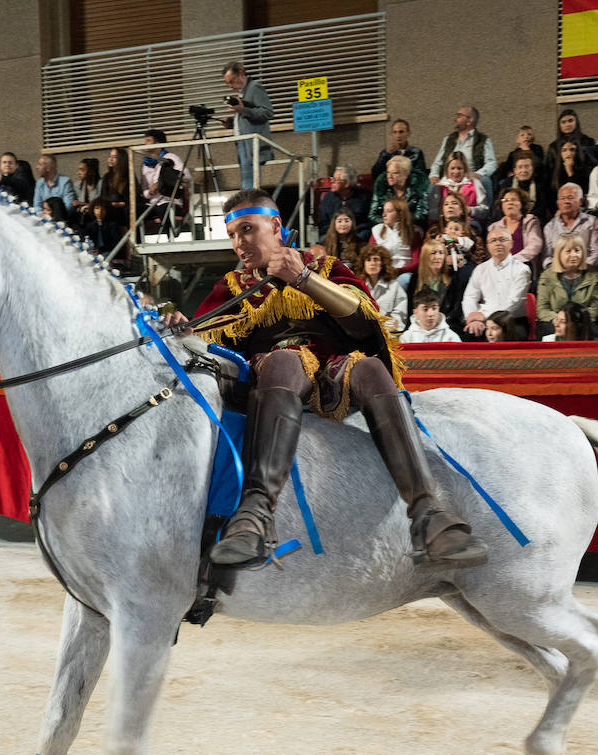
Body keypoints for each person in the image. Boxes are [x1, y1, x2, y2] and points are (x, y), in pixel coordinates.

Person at [170, 189, 487, 570]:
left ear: (275, 225)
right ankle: (255, 512)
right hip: (276, 374)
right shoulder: (233, 285)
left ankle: (428, 513)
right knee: (284, 361)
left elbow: (361, 322)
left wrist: (301, 278)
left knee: (370, 368)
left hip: (336, 369)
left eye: (247, 229)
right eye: (233, 234)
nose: (239, 242)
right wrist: (180, 327)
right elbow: (204, 335)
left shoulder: (325, 267)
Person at [461, 225, 530, 338]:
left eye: (502, 239)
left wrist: (484, 315)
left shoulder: (522, 269)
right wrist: (472, 318)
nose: (498, 243)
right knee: (470, 333)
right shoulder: (480, 269)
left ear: (511, 244)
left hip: (512, 320)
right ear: (488, 246)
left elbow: (514, 302)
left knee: (517, 336)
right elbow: (469, 297)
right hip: (484, 321)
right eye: (493, 240)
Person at [537, 233, 598, 335]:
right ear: (559, 254)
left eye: (577, 251)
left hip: (582, 322)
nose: (574, 255)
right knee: (547, 329)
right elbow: (542, 309)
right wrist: (560, 320)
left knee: (593, 330)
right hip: (555, 321)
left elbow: (594, 308)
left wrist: (576, 322)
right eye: (568, 251)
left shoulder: (593, 275)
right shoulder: (547, 276)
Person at [221, 62, 273, 190]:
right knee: (246, 180)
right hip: (243, 142)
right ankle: (248, 204)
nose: (230, 86)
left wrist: (242, 109)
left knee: (249, 182)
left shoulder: (254, 87)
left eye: (232, 81)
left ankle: (249, 207)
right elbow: (247, 115)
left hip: (251, 144)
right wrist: (231, 123)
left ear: (241, 73)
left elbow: (267, 112)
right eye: (227, 83)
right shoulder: (243, 92)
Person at [430, 106, 496, 184]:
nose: (455, 119)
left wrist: (478, 174)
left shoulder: (483, 140)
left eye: (459, 116)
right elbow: (437, 162)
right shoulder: (448, 139)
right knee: (433, 186)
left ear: (469, 120)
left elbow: (491, 163)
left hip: (471, 180)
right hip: (449, 179)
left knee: (485, 181)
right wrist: (434, 175)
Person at [543, 183, 598, 269]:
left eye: (570, 198)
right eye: (563, 198)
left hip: (586, 271)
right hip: (557, 273)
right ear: (558, 203)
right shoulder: (550, 227)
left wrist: (579, 269)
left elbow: (596, 253)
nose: (566, 202)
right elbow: (546, 257)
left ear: (581, 201)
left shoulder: (592, 222)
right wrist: (558, 269)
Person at [487, 187, 542, 269]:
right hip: (500, 268)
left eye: (513, 200)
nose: (510, 203)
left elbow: (535, 246)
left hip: (523, 266)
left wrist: (511, 261)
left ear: (521, 204)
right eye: (506, 200)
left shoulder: (530, 221)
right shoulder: (493, 227)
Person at [358, 244, 408, 330]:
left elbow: (400, 314)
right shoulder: (358, 287)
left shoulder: (394, 286)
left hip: (388, 332)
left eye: (376, 260)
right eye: (368, 260)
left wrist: (388, 326)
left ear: (383, 263)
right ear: (363, 264)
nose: (372, 263)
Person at [369, 155, 429, 226]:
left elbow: (422, 214)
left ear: (406, 174)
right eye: (388, 172)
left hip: (411, 226)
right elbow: (372, 215)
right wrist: (391, 221)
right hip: (386, 226)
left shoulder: (418, 186)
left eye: (395, 173)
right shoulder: (381, 187)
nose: (389, 176)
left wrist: (401, 221)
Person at [369, 197, 419, 278]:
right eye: (383, 211)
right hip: (382, 272)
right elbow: (369, 255)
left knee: (404, 279)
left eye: (389, 211)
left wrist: (398, 270)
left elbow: (416, 262)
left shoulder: (413, 232)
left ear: (400, 214)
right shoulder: (377, 231)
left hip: (404, 273)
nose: (384, 215)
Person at [316, 165, 372, 238]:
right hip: (333, 232)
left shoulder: (364, 197)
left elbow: (367, 222)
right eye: (332, 178)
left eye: (336, 179)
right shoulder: (328, 197)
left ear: (346, 183)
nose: (332, 181)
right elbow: (322, 221)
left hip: (356, 232)